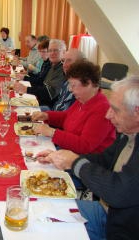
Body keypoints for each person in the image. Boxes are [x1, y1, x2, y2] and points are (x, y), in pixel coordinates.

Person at [37, 76, 139, 240]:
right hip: (105, 212)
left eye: (115, 109)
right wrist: (63, 156)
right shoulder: (128, 134)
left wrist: (75, 162)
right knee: (40, 210)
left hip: (118, 230)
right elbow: (104, 159)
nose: (108, 115)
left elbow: (119, 192)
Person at [31, 60, 116, 154]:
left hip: (83, 159)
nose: (70, 89)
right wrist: (47, 116)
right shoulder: (83, 99)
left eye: (73, 85)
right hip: (68, 148)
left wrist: (52, 132)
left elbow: (85, 146)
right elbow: (67, 117)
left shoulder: (102, 109)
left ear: (88, 83)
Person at [14, 39, 66, 107]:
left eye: (56, 50)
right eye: (50, 50)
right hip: (40, 99)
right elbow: (42, 82)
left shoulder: (62, 68)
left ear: (64, 52)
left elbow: (49, 93)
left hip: (47, 106)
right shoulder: (53, 65)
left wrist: (27, 89)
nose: (52, 53)